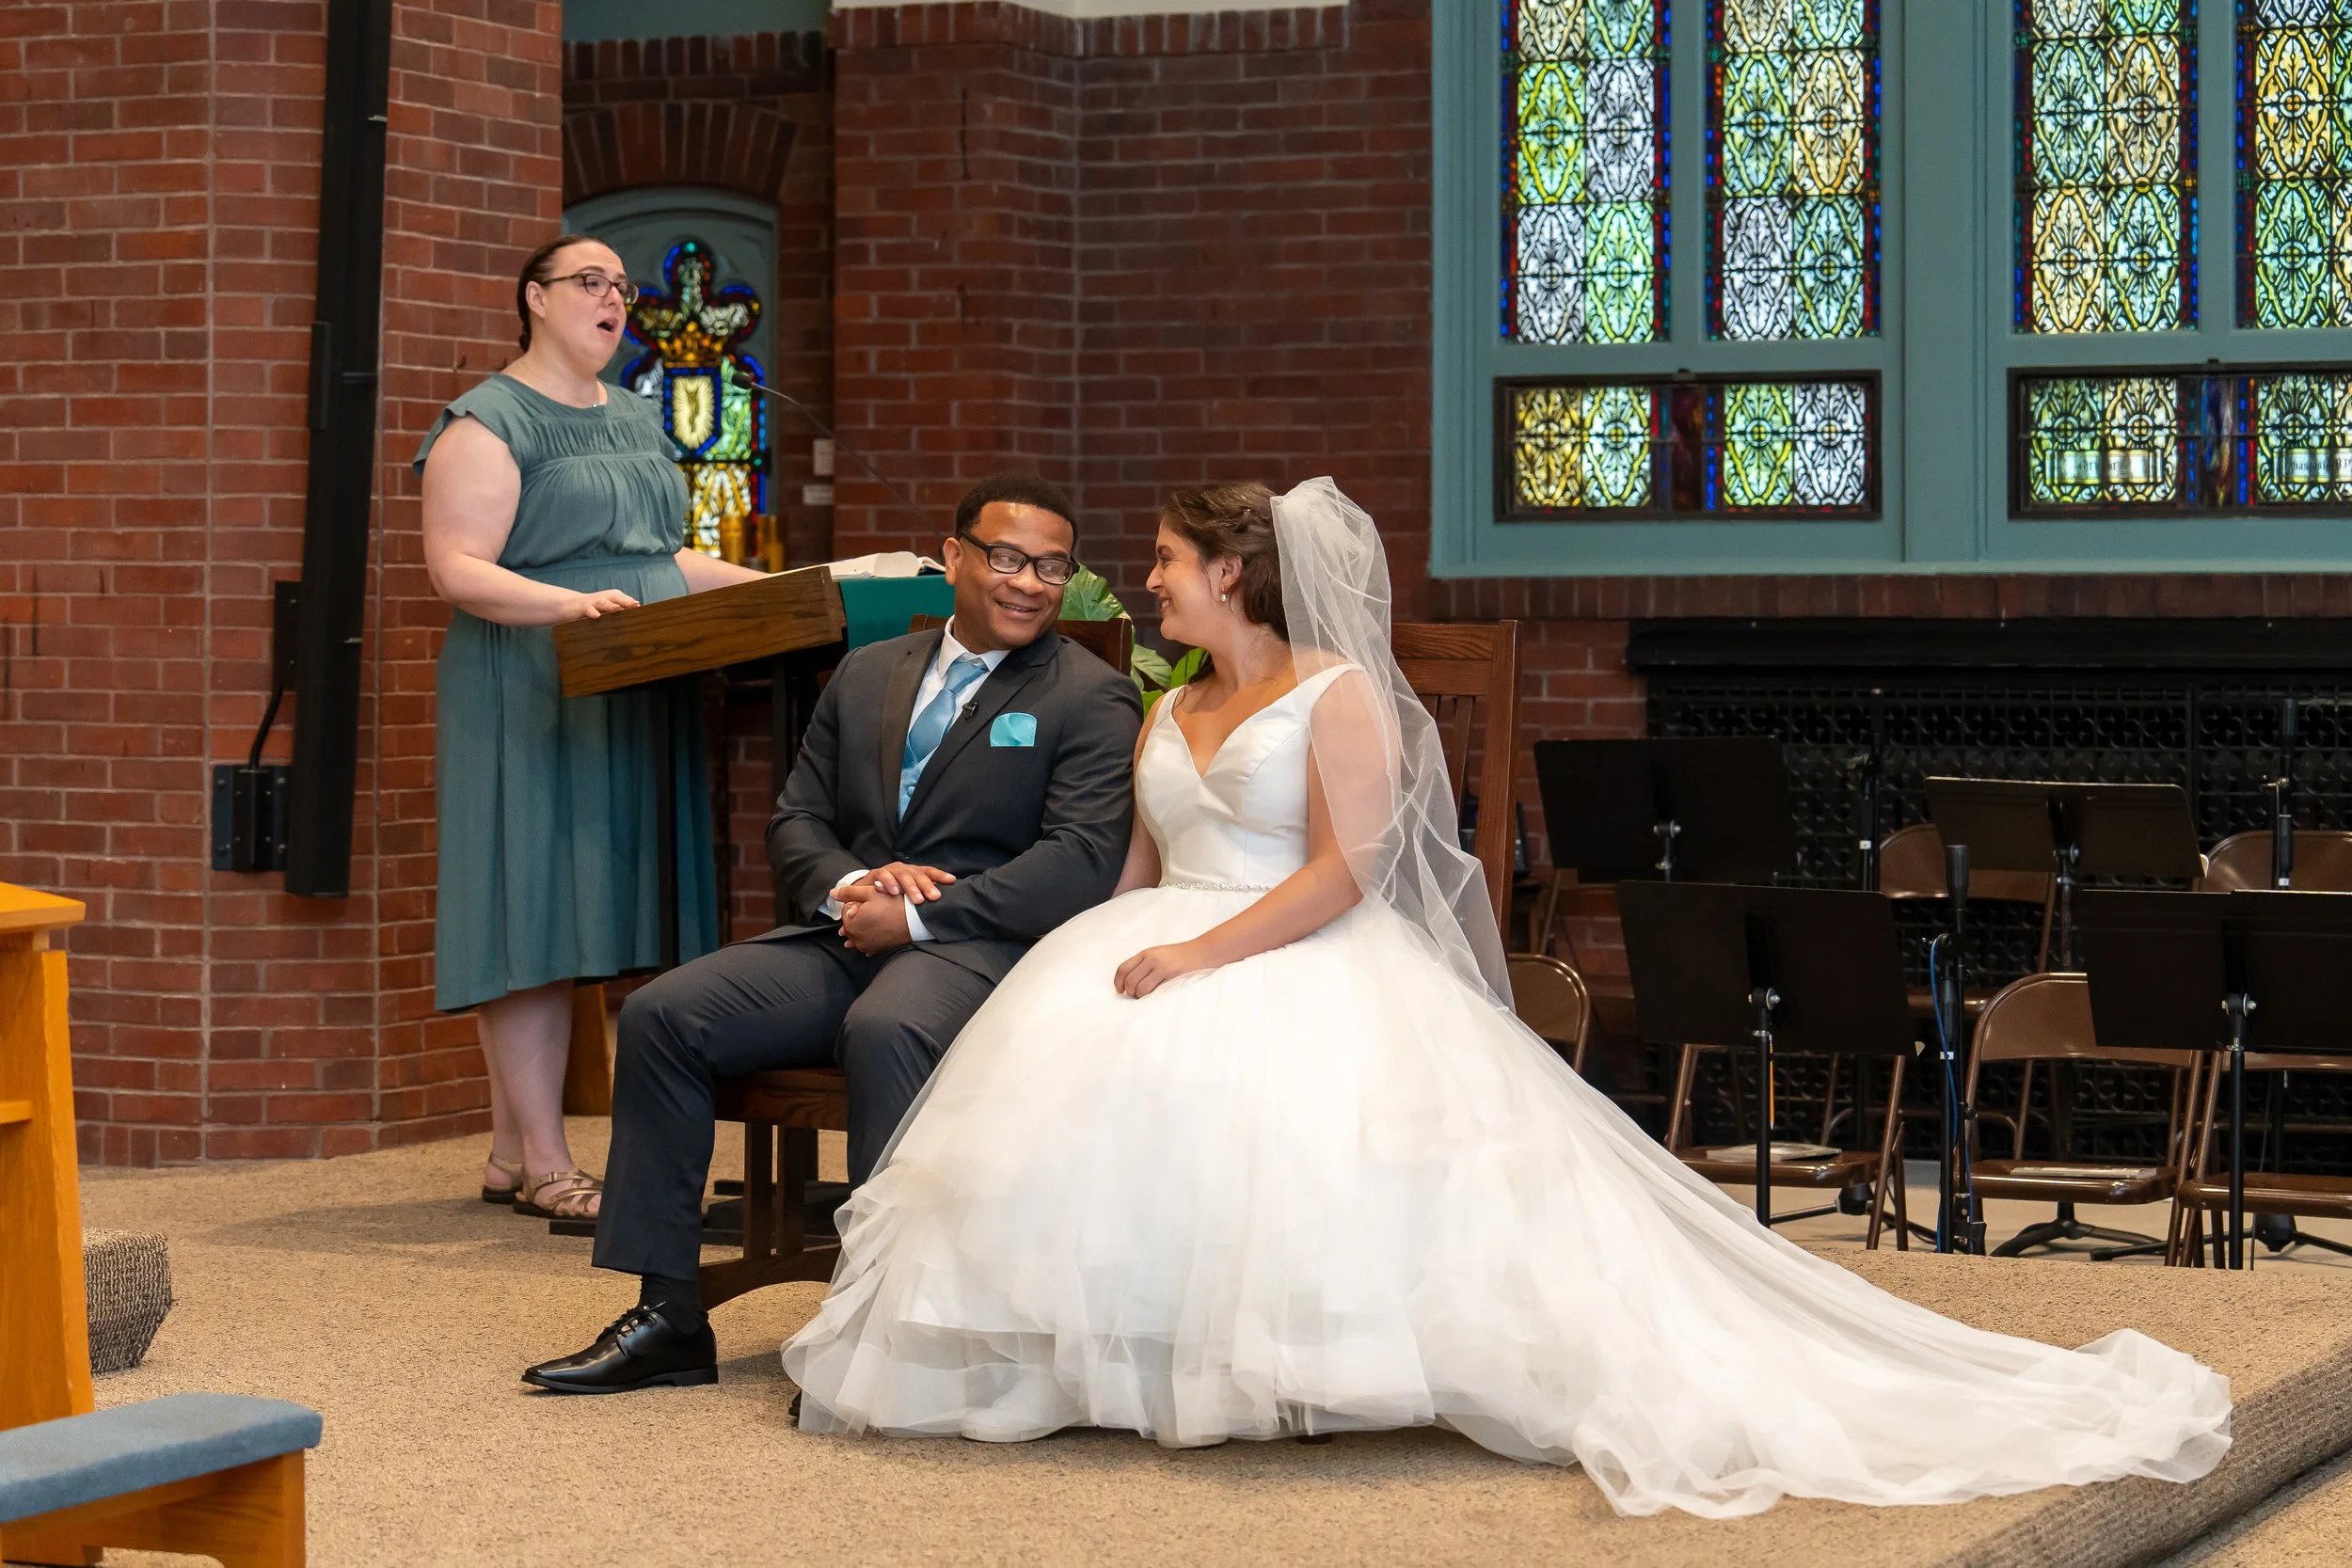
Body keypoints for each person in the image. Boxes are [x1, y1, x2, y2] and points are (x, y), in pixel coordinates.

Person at [777, 478, 2233, 1519]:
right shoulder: (1166, 702)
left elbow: (1347, 874)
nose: (1141, 580)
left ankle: (1312, 1366)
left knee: (1281, 1152)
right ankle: (1114, 1360)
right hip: (1162, 934)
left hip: (1292, 951)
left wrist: (1197, 957)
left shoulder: (1337, 695)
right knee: (1072, 1117)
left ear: (1234, 576)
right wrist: (1085, 965)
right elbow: (1139, 865)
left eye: (1164, 561)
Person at [520, 473, 1145, 1395]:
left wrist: (924, 912)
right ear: (956, 556)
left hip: (979, 951)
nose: (1030, 582)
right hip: (847, 934)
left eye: (1052, 565)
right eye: (1008, 557)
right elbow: (795, 820)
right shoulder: (866, 671)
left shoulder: (1088, 696)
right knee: (662, 1013)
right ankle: (668, 1315)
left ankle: (882, 1321)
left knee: (885, 1029)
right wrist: (854, 885)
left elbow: (1080, 860)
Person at [417, 234, 767, 1223]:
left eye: (621, 287)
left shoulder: (637, 417)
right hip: (530, 682)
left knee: (590, 907)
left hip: (635, 674)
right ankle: (545, 1160)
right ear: (534, 297)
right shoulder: (484, 423)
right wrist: (564, 608)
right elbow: (457, 566)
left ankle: (503, 1147)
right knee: (530, 906)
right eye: (589, 283)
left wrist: (796, 589)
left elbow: (663, 558)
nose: (612, 299)